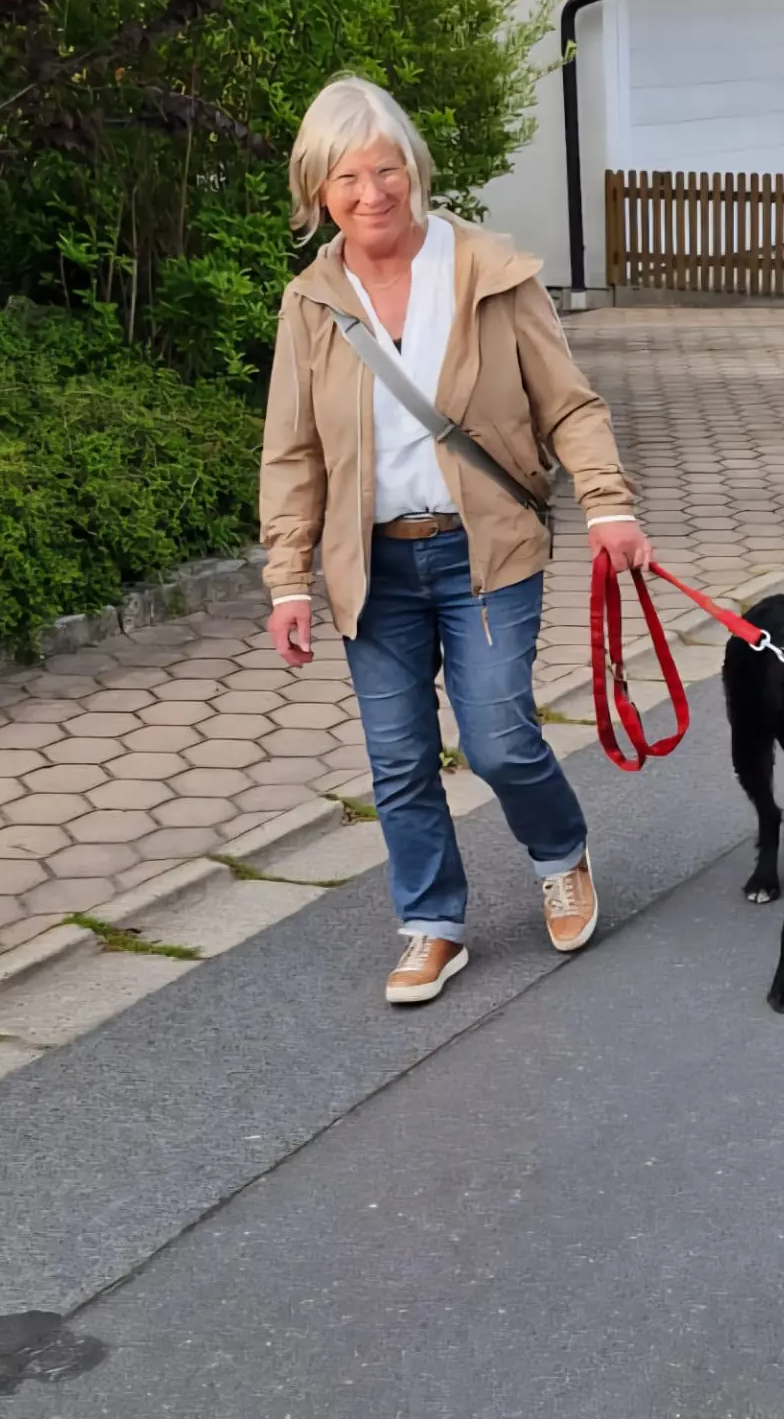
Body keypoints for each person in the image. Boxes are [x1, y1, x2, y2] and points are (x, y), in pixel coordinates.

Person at [261, 76, 653, 1005]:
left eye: (386, 169)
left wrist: (607, 504)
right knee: (398, 761)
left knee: (499, 740)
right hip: (373, 567)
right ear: (319, 190)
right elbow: (292, 451)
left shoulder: (489, 272)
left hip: (485, 550)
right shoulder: (311, 303)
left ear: (414, 169)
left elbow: (568, 405)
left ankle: (559, 853)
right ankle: (431, 923)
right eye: (347, 178)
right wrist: (287, 579)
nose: (371, 193)